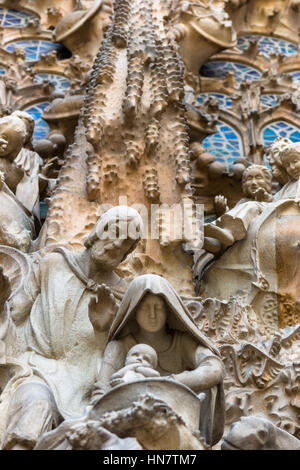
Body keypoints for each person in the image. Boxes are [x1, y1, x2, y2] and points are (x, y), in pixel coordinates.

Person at [0, 206, 143, 450]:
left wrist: (105, 328)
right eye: (114, 232)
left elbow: (126, 354)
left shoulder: (123, 295)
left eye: (125, 243)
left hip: (83, 391)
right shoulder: (53, 265)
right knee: (38, 403)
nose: (115, 244)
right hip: (35, 371)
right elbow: (14, 314)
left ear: (126, 255)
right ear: (99, 230)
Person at [93, 274, 225, 447]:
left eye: (159, 307)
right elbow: (100, 391)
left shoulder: (183, 342)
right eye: (145, 308)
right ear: (134, 310)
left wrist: (168, 384)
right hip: (128, 421)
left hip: (176, 420)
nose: (152, 315)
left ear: (169, 309)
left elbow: (214, 368)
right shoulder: (119, 346)